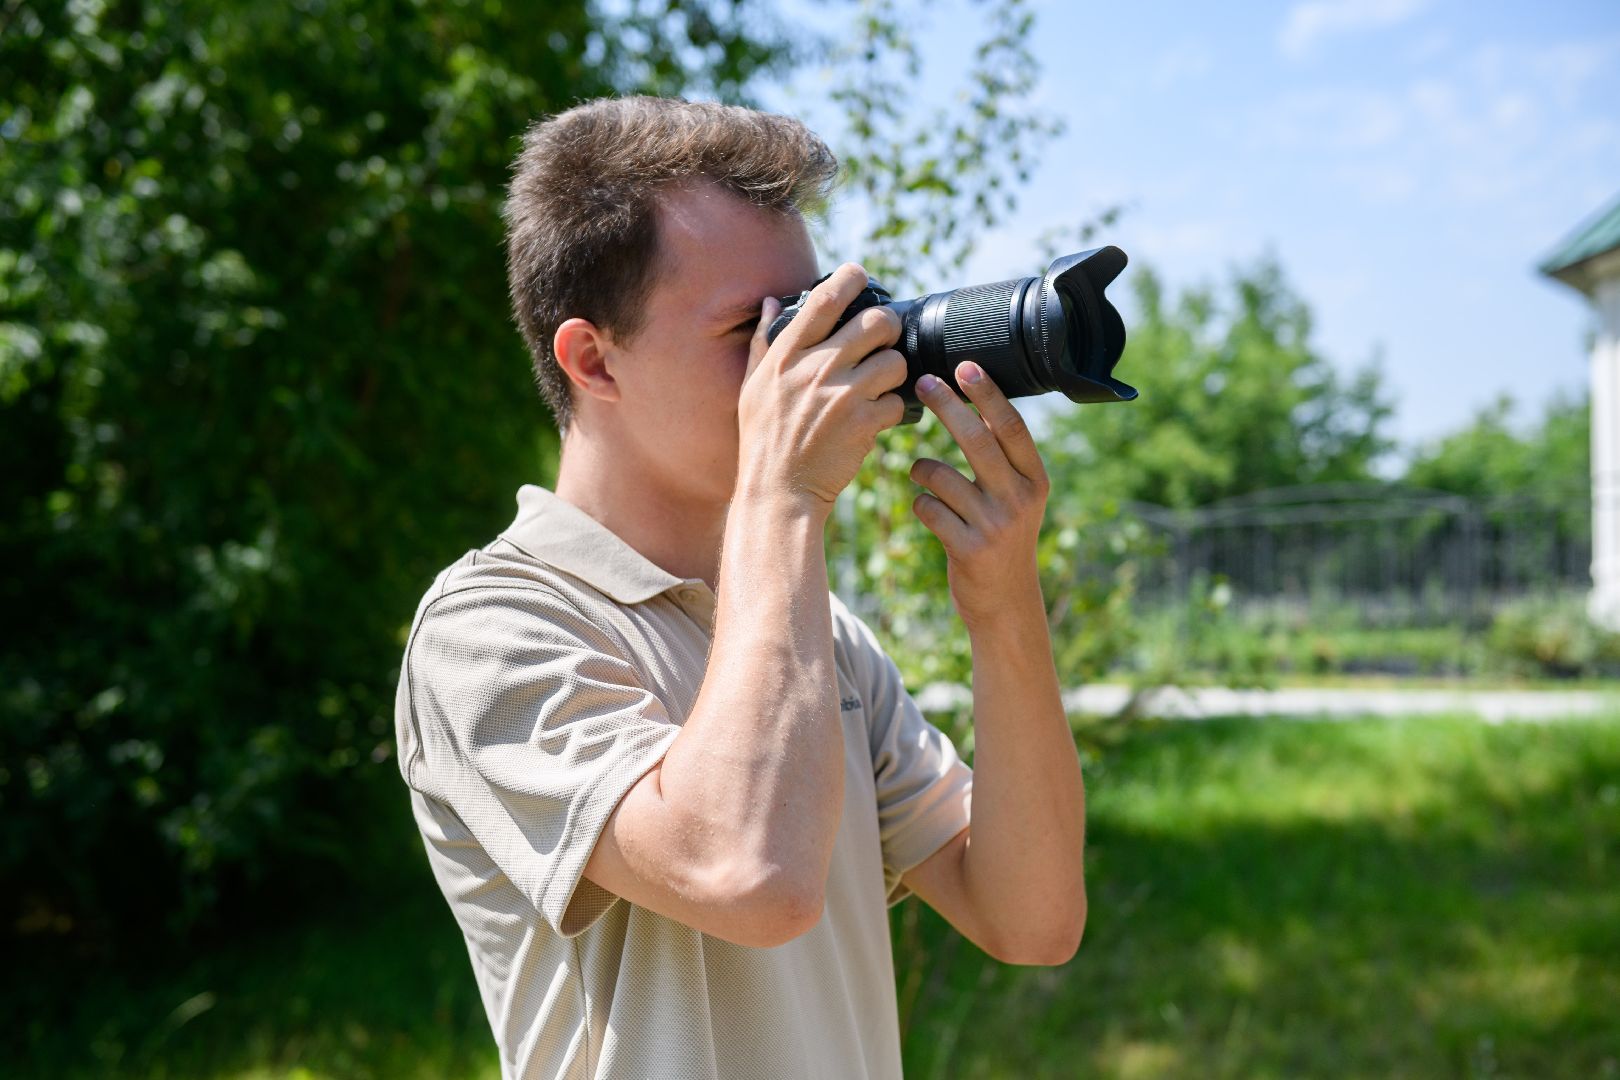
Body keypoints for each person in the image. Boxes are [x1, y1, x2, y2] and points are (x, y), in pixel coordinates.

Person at [392, 95, 1087, 1079]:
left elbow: (1031, 917)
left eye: (813, 317)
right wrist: (784, 493)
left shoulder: (819, 638)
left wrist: (1003, 606)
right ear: (594, 360)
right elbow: (749, 876)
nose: (808, 365)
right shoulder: (489, 628)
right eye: (754, 331)